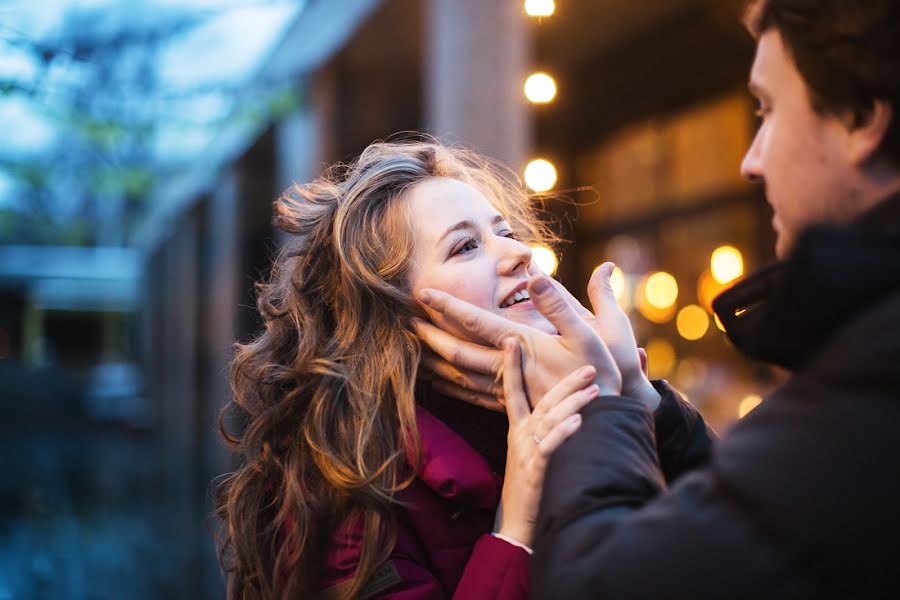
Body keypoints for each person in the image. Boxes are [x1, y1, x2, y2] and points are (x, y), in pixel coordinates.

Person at [414, 0, 900, 597]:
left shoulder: (875, 365)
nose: (751, 160)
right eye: (464, 246)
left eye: (768, 110)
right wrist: (639, 404)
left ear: (862, 119)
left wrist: (599, 405)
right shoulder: (354, 486)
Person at [214, 139, 708, 599]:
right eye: (465, 246)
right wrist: (514, 534)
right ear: (393, 319)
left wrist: (639, 399)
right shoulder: (345, 494)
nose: (520, 253)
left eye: (506, 232)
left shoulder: (573, 405)